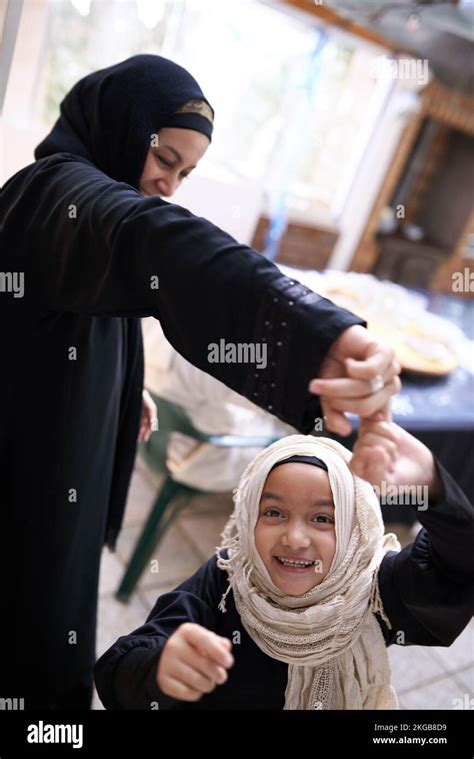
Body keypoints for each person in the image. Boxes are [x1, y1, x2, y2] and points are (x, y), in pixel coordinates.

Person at [0, 54, 400, 710]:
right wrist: (314, 333)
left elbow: (86, 314)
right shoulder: (54, 193)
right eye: (164, 157)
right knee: (28, 645)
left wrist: (128, 390)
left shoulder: (81, 206)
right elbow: (152, 242)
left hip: (66, 463)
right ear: (119, 125)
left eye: (185, 173)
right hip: (28, 493)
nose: (168, 184)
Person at [94, 419, 474, 710]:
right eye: (274, 512)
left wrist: (435, 489)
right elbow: (121, 667)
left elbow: (454, 566)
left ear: (354, 530)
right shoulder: (226, 581)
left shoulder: (372, 586)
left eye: (323, 519)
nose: (294, 537)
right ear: (247, 518)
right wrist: (161, 667)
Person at [142, 318, 294, 490]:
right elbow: (275, 403)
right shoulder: (205, 357)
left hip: (154, 447)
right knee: (299, 432)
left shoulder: (151, 321)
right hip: (207, 459)